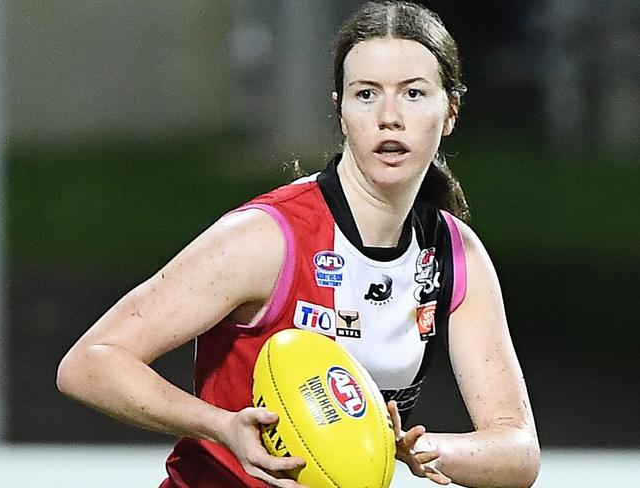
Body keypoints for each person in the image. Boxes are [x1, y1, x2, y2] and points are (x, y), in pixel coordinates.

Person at [57, 2, 540, 487]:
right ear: (340, 109)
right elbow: (90, 361)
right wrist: (221, 425)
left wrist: (418, 447)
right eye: (366, 94)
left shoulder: (456, 254)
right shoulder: (266, 237)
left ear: (450, 111)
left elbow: (517, 452)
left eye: (414, 94)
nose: (389, 117)